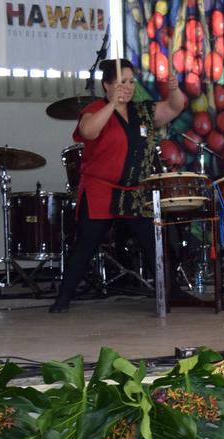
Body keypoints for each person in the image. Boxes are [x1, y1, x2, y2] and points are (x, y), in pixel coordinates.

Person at [49, 58, 186, 313]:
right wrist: (112, 104)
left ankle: (172, 292)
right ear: (107, 85)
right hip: (101, 190)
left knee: (154, 243)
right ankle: (63, 298)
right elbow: (88, 132)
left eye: (132, 81)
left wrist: (174, 89)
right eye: (122, 82)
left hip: (134, 193)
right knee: (87, 244)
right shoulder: (96, 109)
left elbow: (174, 107)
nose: (129, 87)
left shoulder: (142, 111)